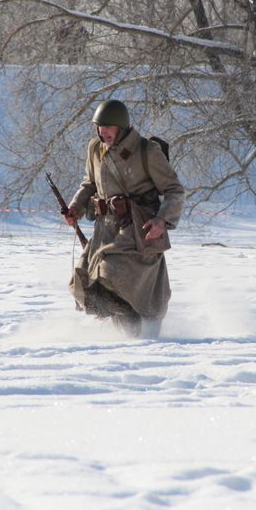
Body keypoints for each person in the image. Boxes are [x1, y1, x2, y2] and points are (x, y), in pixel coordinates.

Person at [63, 99, 185, 338]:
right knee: (82, 284)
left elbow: (174, 191)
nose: (103, 132)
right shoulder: (94, 149)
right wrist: (75, 206)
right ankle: (128, 333)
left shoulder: (147, 151)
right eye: (100, 127)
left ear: (122, 126)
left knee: (111, 275)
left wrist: (162, 221)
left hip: (137, 230)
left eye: (108, 127)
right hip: (104, 229)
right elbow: (89, 184)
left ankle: (135, 329)